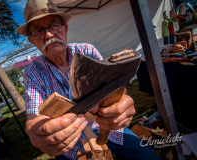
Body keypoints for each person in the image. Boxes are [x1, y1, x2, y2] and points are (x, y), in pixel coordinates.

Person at [16, 0, 161, 159]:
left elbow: (112, 87)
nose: (49, 34)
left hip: (107, 128)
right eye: (38, 31)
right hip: (69, 143)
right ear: (32, 40)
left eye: (54, 25)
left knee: (150, 157)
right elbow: (34, 118)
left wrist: (122, 100)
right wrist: (36, 130)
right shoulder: (32, 72)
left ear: (65, 28)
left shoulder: (86, 50)